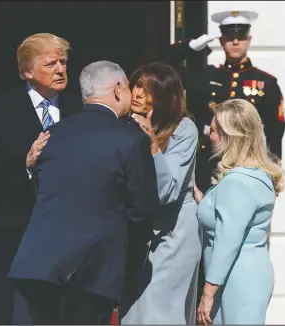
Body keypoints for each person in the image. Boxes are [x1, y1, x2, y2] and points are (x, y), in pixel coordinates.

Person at [7, 61, 160, 325]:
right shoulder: (131, 139)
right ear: (117, 89)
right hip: (92, 271)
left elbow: (43, 191)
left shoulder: (53, 133)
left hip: (38, 263)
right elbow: (142, 211)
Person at [0, 33, 82, 324]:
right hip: (12, 229)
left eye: (63, 62)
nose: (60, 69)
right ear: (27, 71)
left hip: (65, 233)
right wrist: (25, 163)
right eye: (50, 64)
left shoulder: (79, 109)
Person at [162, 10, 285, 194]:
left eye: (241, 36)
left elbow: (275, 129)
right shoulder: (205, 76)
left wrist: (273, 166)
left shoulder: (266, 82)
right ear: (221, 40)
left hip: (247, 162)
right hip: (207, 161)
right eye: (229, 36)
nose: (235, 42)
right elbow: (163, 66)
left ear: (249, 39)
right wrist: (190, 47)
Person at [120, 62, 201, 324]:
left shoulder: (183, 128)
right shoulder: (125, 125)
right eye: (138, 85)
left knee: (161, 310)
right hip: (137, 234)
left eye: (149, 90)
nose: (139, 93)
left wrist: (153, 146)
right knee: (133, 312)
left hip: (173, 232)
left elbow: (168, 190)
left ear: (165, 98)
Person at [194, 99, 284, 325]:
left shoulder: (238, 181)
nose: (210, 136)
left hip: (237, 277)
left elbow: (228, 239)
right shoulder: (257, 173)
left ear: (229, 136)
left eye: (213, 131)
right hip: (247, 272)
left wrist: (208, 292)